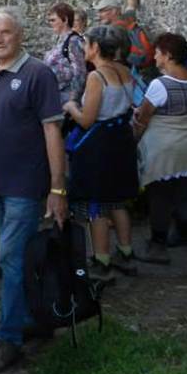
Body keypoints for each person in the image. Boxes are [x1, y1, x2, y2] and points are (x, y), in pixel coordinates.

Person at [0, 9, 67, 374]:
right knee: (18, 257)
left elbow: (52, 131)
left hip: (25, 185)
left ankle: (9, 337)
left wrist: (58, 187)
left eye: (6, 33)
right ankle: (34, 318)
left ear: (20, 35)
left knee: (12, 258)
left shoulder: (37, 74)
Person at [133, 33, 187, 269]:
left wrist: (133, 141)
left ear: (168, 56)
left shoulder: (161, 85)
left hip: (165, 149)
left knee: (159, 196)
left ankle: (157, 246)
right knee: (184, 194)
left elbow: (143, 117)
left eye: (158, 52)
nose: (155, 56)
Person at [62, 25, 139, 281]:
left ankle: (101, 259)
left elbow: (86, 119)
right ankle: (126, 252)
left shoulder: (98, 77)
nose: (84, 48)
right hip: (121, 141)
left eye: (86, 44)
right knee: (116, 200)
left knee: (96, 203)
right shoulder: (126, 72)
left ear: (95, 48)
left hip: (99, 146)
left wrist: (71, 106)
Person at [95, 0, 155, 80]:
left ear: (114, 11)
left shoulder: (112, 31)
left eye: (102, 11)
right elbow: (131, 5)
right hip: (143, 70)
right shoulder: (128, 19)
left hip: (126, 74)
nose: (99, 15)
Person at [43, 2, 87, 106]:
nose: (50, 23)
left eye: (53, 20)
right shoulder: (60, 39)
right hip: (56, 95)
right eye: (49, 20)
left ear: (65, 20)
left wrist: (73, 101)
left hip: (66, 99)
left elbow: (80, 72)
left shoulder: (73, 41)